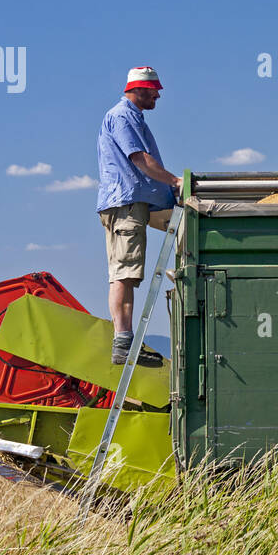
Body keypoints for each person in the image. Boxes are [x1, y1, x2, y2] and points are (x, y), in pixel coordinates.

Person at [96, 66, 183, 366]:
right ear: (138, 89)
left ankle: (126, 340)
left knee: (130, 272)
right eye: (153, 88)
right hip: (127, 205)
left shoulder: (134, 117)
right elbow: (140, 160)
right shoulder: (121, 116)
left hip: (140, 203)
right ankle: (123, 342)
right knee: (125, 272)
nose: (158, 93)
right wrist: (175, 181)